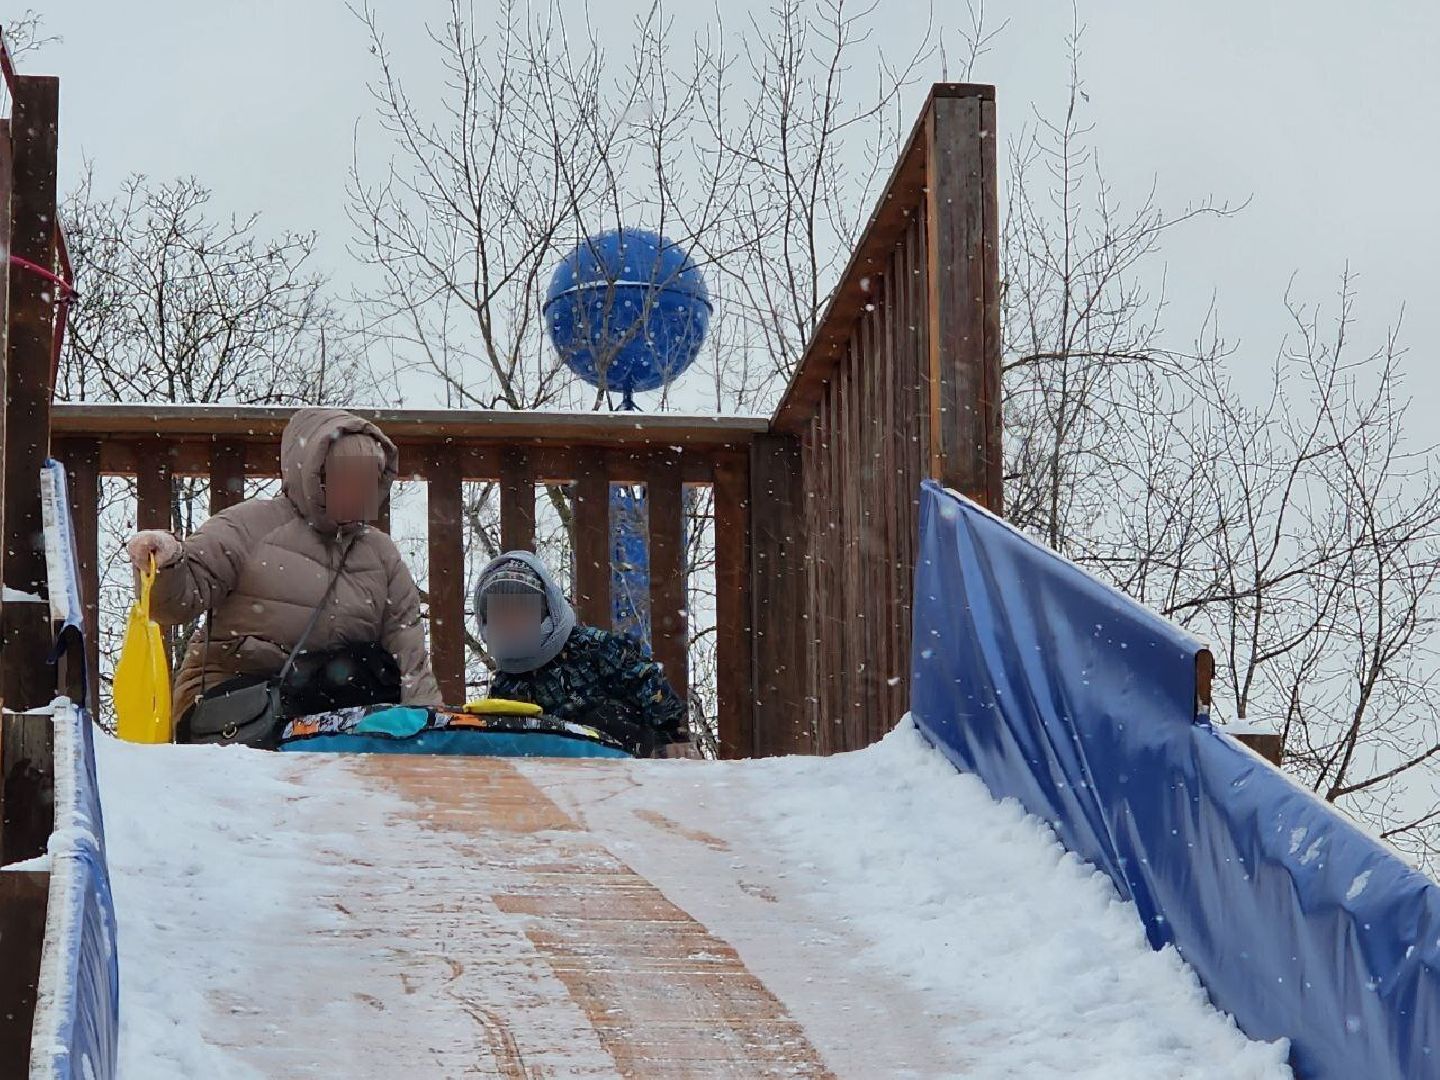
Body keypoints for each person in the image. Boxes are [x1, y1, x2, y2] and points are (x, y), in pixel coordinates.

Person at [126, 408, 442, 726]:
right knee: (350, 676)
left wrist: (429, 724)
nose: (358, 492)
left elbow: (409, 654)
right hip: (234, 704)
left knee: (372, 670)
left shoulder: (380, 554)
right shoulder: (248, 526)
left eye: (368, 481)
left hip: (324, 714)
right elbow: (171, 605)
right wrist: (166, 563)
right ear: (315, 477)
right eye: (347, 478)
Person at [474, 551, 693, 758]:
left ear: (547, 612)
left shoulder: (593, 647)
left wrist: (674, 736)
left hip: (628, 762)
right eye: (500, 615)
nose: (512, 624)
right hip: (556, 778)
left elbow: (647, 679)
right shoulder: (505, 687)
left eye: (522, 611)